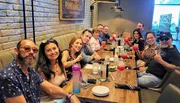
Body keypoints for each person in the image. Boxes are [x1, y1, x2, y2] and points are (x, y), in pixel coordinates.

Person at [0, 39, 80, 103]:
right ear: (16, 51)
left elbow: (51, 88)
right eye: (27, 48)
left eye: (34, 50)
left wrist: (70, 95)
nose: (31, 52)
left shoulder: (30, 71)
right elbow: (49, 93)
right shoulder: (8, 76)